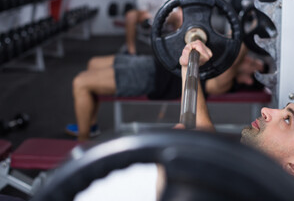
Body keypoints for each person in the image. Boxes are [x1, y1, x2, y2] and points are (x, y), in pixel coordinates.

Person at [178, 40, 294, 190]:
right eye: (284, 112)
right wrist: (188, 67)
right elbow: (202, 137)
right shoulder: (246, 179)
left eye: (287, 120)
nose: (266, 111)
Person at [67, 43, 264, 141]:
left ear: (248, 79)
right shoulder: (225, 67)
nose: (249, 60)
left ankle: (82, 145)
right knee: (92, 63)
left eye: (253, 64)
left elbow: (239, 51)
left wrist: (246, 41)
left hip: (151, 78)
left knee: (81, 83)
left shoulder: (224, 83)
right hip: (153, 63)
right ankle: (91, 125)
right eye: (252, 59)